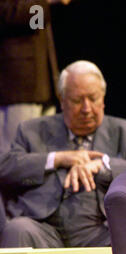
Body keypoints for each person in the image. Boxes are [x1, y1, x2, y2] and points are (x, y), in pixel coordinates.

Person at [0, 60, 126, 250]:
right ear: (62, 100)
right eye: (77, 101)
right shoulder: (31, 130)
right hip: (44, 230)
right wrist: (57, 159)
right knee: (17, 229)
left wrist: (102, 165)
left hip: (101, 232)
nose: (86, 109)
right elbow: (6, 167)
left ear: (103, 98)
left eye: (93, 99)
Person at [0, 0, 71, 153]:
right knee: (13, 155)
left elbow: (34, 24)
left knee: (40, 159)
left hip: (42, 84)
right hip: (18, 86)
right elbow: (6, 13)